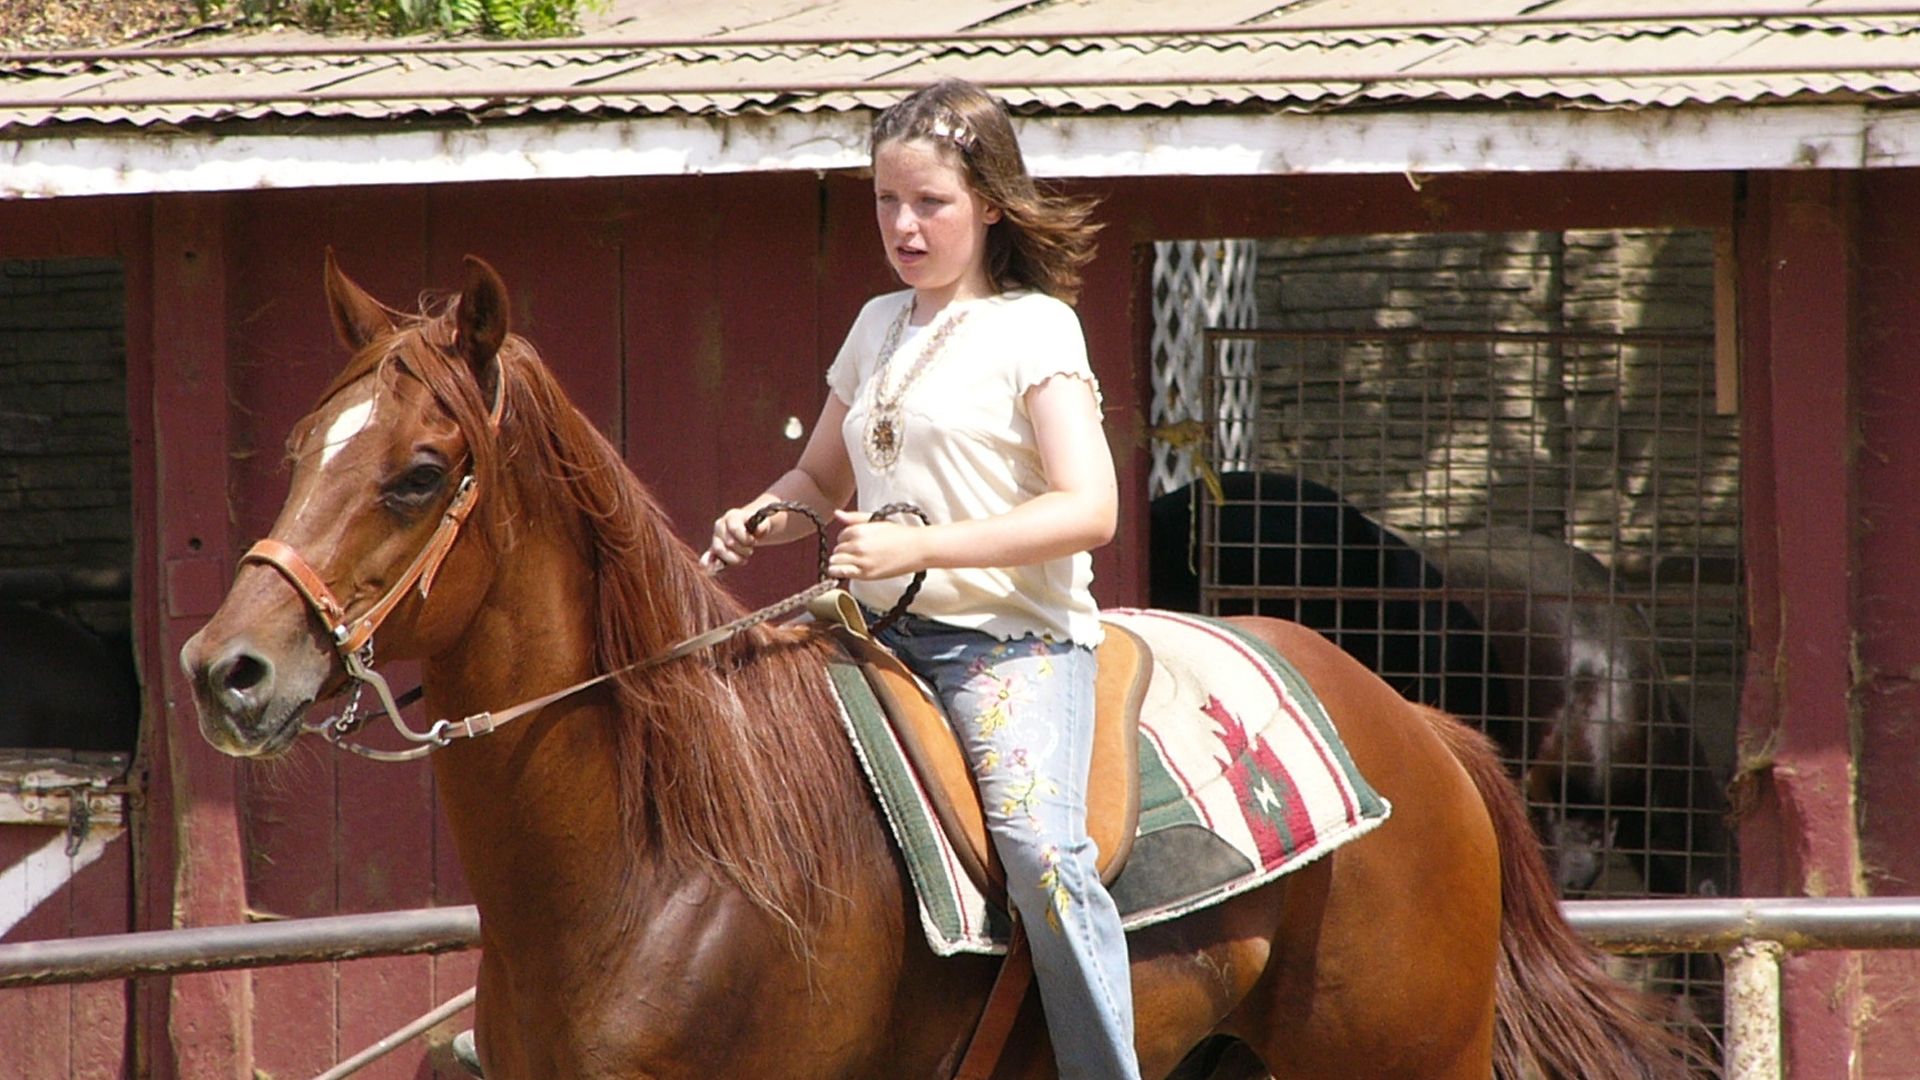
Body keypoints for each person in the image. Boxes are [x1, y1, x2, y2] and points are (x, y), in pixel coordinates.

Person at [704, 78, 1138, 1079]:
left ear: (989, 202)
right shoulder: (876, 326)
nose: (904, 224)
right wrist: (764, 516)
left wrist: (919, 548)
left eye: (929, 202)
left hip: (1012, 645)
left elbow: (1091, 510)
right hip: (871, 634)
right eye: (886, 202)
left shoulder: (1037, 328)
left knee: (1042, 856)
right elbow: (821, 472)